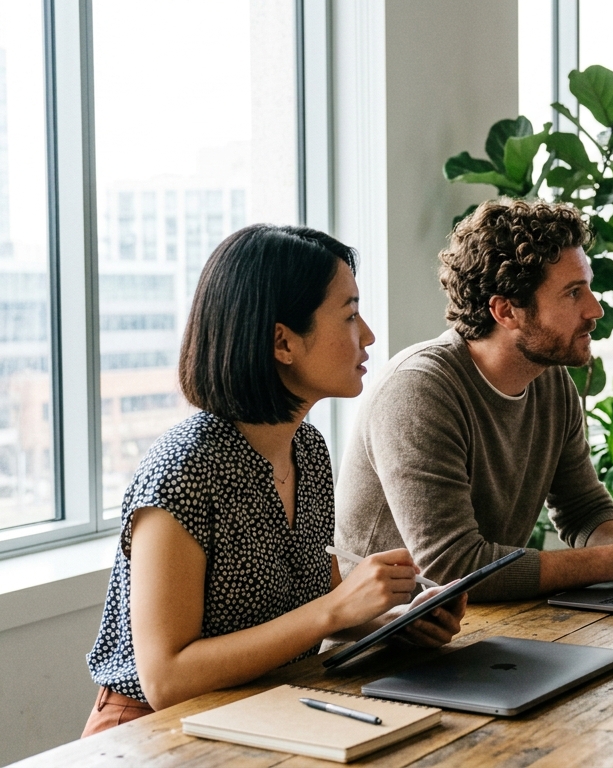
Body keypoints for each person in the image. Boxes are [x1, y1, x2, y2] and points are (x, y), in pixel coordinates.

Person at [83, 226, 465, 737]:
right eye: (350, 315)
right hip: (149, 733)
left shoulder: (307, 448)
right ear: (283, 342)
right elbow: (166, 679)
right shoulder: (183, 469)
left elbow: (312, 599)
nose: (369, 335)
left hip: (262, 710)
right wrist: (334, 609)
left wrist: (393, 623)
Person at [335, 199, 613, 602]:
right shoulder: (419, 391)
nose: (595, 309)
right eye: (573, 293)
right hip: (387, 633)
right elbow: (452, 567)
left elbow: (584, 509)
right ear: (506, 311)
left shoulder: (549, 380)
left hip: (481, 622)